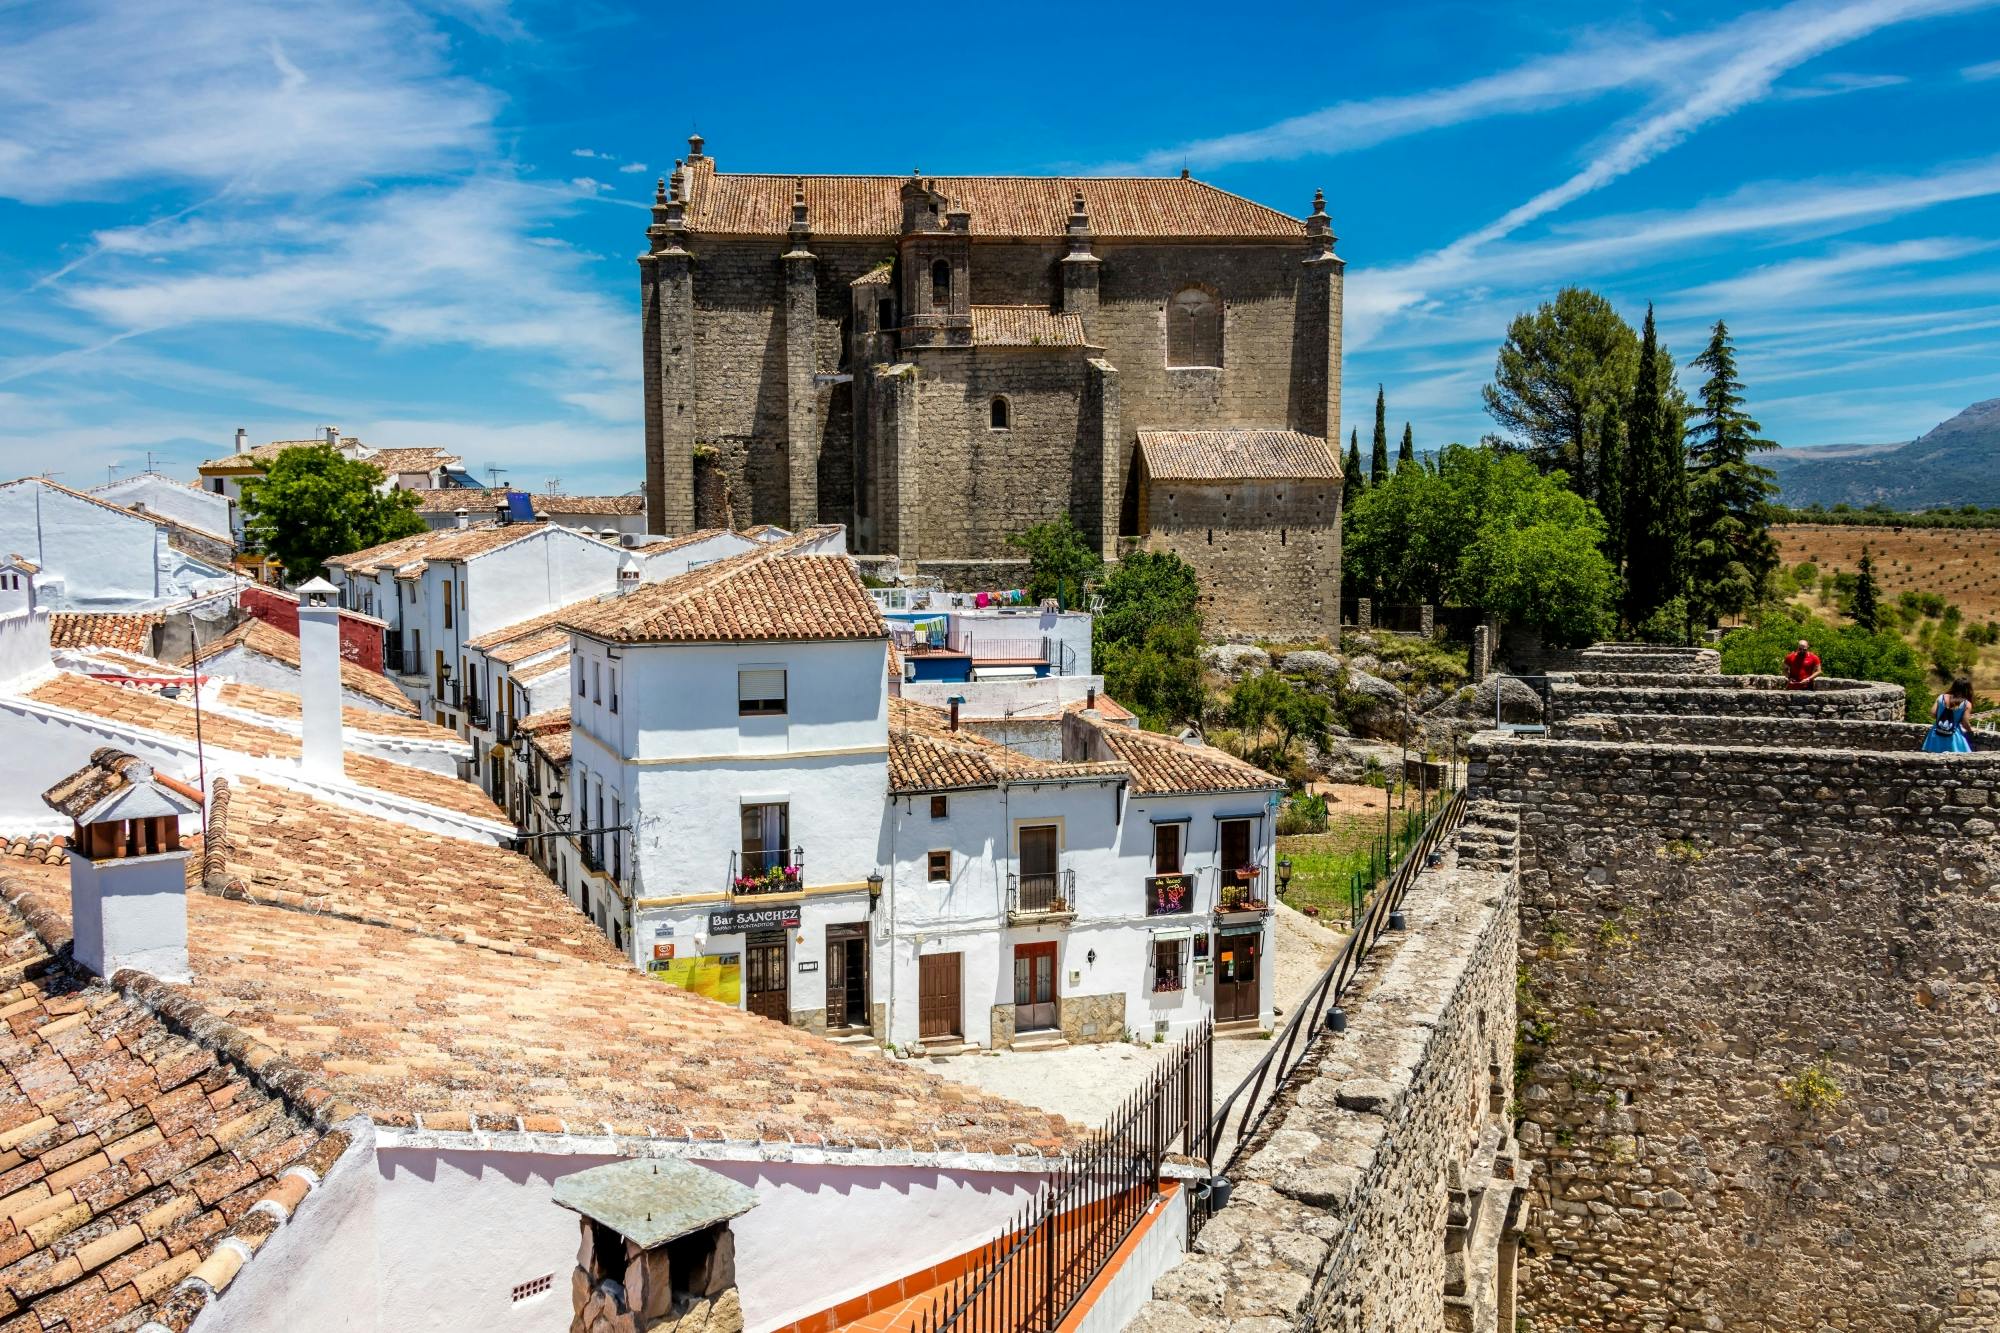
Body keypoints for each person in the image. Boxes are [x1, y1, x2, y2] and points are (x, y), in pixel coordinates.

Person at [1923, 677, 1975, 753]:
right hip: (1953, 736)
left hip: (1936, 733)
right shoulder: (1967, 704)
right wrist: (1970, 731)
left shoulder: (1941, 697)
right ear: (1967, 689)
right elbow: (1965, 723)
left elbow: (1933, 713)